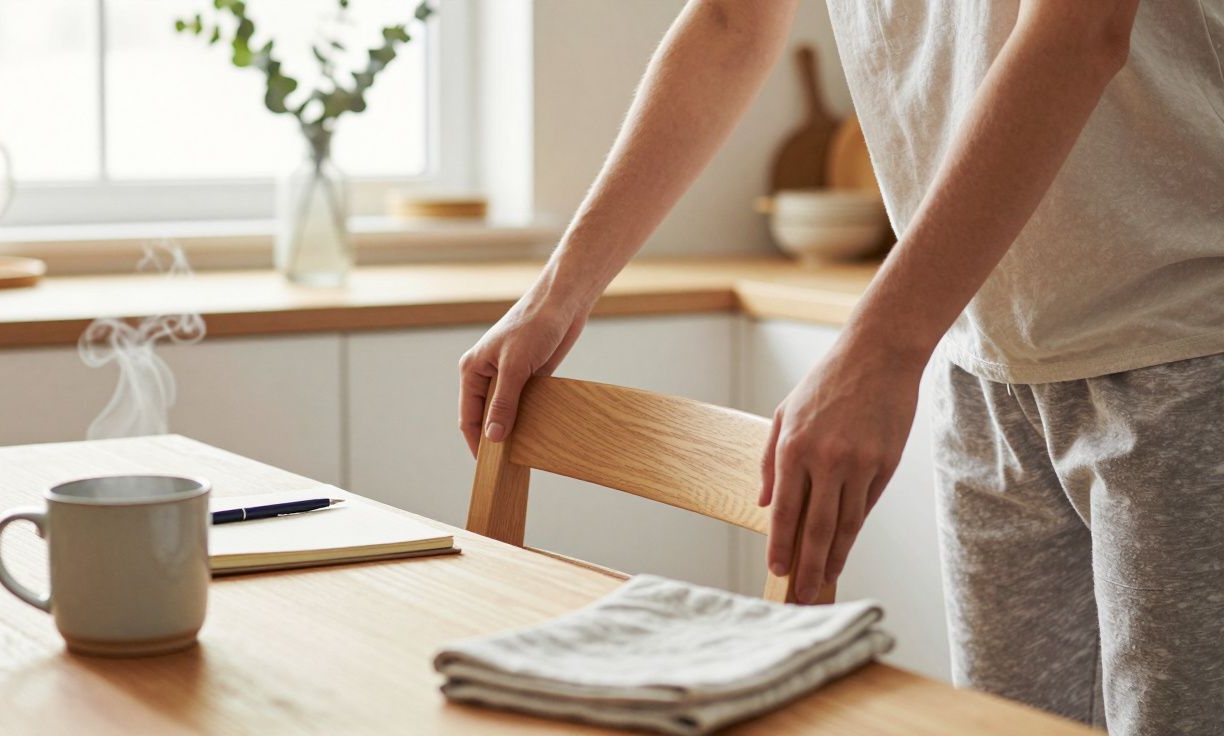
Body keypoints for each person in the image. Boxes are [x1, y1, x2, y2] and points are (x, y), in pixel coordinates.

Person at [457, 1, 1224, 732]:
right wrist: (559, 292)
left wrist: (881, 345)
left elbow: (1081, 30)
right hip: (981, 351)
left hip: (1186, 344)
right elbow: (729, 21)